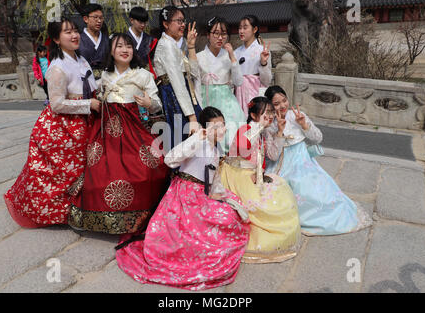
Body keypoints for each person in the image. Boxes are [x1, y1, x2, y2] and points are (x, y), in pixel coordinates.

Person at [115, 107, 250, 291]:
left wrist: (224, 197)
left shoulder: (215, 149)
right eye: (215, 126)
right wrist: (196, 138)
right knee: (213, 227)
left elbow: (214, 179)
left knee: (231, 211)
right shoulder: (197, 142)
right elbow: (170, 160)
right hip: (183, 197)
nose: (221, 130)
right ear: (205, 128)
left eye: (223, 125)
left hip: (202, 195)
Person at [69, 33, 170, 234]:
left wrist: (150, 103)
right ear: (112, 52)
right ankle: (101, 218)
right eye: (119, 46)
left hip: (135, 128)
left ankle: (141, 215)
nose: (125, 50)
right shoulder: (104, 77)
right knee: (100, 169)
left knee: (146, 167)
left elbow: (157, 105)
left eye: (129, 46)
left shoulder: (143, 75)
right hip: (107, 131)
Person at [4, 18, 100, 228]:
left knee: (83, 168)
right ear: (56, 39)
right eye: (67, 32)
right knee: (63, 173)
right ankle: (59, 213)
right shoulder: (56, 68)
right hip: (64, 127)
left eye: (75, 31)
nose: (74, 35)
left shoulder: (81, 59)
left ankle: (80, 208)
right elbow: (56, 104)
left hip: (85, 120)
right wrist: (88, 104)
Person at [264, 86, 373, 235]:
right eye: (276, 104)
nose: (282, 106)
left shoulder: (297, 115)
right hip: (282, 165)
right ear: (270, 105)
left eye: (284, 100)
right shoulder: (269, 124)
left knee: (315, 188)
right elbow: (273, 156)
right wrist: (280, 132)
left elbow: (317, 138)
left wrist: (304, 125)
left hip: (303, 161)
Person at [220, 97, 301, 263]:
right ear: (253, 115)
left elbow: (272, 155)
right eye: (266, 112)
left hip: (254, 173)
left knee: (281, 190)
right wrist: (258, 128)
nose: (270, 116)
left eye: (271, 112)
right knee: (261, 202)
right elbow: (243, 150)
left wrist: (279, 132)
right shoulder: (245, 129)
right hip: (237, 174)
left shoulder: (264, 132)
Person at [153, 6, 202, 151]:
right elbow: (177, 81)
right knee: (183, 142)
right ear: (166, 24)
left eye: (183, 21)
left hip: (184, 95)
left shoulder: (174, 45)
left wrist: (191, 46)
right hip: (174, 98)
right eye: (178, 21)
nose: (183, 25)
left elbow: (193, 73)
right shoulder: (166, 46)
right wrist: (191, 116)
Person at [197, 17, 246, 153]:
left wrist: (232, 57)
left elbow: (238, 82)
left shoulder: (229, 56)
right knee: (208, 138)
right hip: (206, 99)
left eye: (224, 34)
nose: (220, 38)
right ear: (208, 35)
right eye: (216, 33)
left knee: (231, 135)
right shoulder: (199, 56)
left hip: (227, 102)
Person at [234, 15, 272, 117]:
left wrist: (264, 63)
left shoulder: (262, 50)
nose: (241, 31)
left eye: (245, 27)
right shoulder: (236, 52)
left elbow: (267, 80)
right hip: (239, 92)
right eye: (240, 28)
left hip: (255, 92)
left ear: (255, 29)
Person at [79, 3, 110, 81]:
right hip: (84, 81)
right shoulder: (78, 39)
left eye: (101, 18)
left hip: (106, 80)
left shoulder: (107, 39)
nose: (99, 21)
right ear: (86, 19)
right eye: (95, 17)